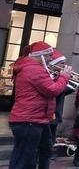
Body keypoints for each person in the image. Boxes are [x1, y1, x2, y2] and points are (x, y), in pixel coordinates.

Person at [9, 41, 71, 169]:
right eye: (48, 56)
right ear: (41, 55)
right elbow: (52, 90)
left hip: (36, 119)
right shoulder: (34, 69)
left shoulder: (32, 68)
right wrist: (64, 77)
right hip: (29, 120)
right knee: (24, 160)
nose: (50, 59)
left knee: (41, 151)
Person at [48, 50, 75, 161]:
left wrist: (72, 83)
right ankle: (46, 153)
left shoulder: (59, 76)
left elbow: (64, 91)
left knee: (52, 133)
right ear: (54, 64)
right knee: (48, 134)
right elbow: (56, 90)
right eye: (62, 63)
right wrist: (65, 79)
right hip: (50, 110)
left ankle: (49, 151)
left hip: (57, 109)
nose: (65, 66)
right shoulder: (50, 76)